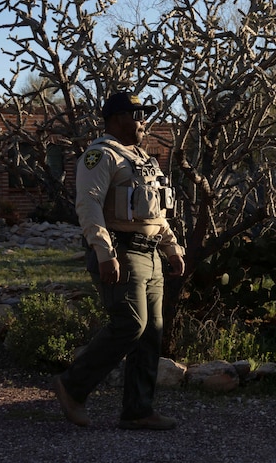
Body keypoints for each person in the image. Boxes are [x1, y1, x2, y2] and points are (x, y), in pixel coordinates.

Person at [53, 92, 185, 430]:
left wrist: (172, 247)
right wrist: (104, 251)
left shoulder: (142, 158)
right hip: (122, 252)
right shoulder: (100, 155)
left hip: (150, 253)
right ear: (115, 119)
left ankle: (138, 410)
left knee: (151, 332)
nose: (143, 120)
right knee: (130, 325)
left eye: (144, 113)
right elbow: (89, 205)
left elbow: (158, 213)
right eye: (136, 113)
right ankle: (72, 386)